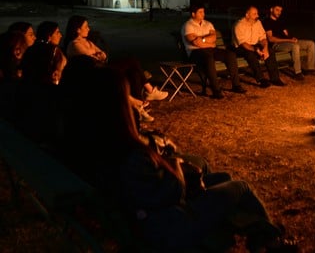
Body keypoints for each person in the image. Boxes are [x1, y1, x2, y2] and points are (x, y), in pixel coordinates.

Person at [57, 65, 295, 252]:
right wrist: (177, 166)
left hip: (150, 217)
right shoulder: (126, 153)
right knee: (240, 187)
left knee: (223, 177)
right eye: (127, 97)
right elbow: (169, 193)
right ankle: (271, 240)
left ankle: (261, 234)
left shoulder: (90, 138)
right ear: (116, 105)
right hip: (167, 226)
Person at [64, 15, 166, 122]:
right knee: (132, 61)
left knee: (134, 73)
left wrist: (99, 55)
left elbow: (102, 55)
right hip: (95, 74)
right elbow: (92, 58)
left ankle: (138, 109)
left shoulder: (87, 42)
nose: (88, 29)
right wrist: (98, 55)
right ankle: (149, 91)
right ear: (78, 29)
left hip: (102, 68)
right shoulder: (74, 44)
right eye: (86, 27)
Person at [182, 4, 247, 99]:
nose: (203, 14)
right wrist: (209, 42)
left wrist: (203, 40)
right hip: (195, 52)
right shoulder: (188, 26)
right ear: (193, 14)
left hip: (209, 50)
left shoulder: (208, 24)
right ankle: (216, 90)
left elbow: (213, 38)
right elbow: (196, 43)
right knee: (209, 58)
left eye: (203, 12)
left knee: (230, 55)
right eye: (200, 12)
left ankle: (236, 85)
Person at [233, 6, 285, 88]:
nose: (257, 15)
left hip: (254, 45)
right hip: (241, 47)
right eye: (254, 14)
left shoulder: (258, 23)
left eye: (257, 13)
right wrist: (256, 50)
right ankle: (261, 79)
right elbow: (243, 44)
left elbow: (263, 38)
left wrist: (265, 48)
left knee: (270, 51)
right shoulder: (239, 25)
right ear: (247, 15)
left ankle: (275, 78)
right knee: (250, 54)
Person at [262, 5, 315, 81]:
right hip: (276, 45)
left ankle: (310, 69)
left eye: (280, 11)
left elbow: (286, 34)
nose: (279, 12)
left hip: (288, 42)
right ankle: (298, 73)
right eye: (277, 10)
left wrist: (292, 38)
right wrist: (289, 41)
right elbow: (271, 39)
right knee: (295, 46)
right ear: (271, 9)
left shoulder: (280, 21)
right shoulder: (267, 21)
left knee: (311, 43)